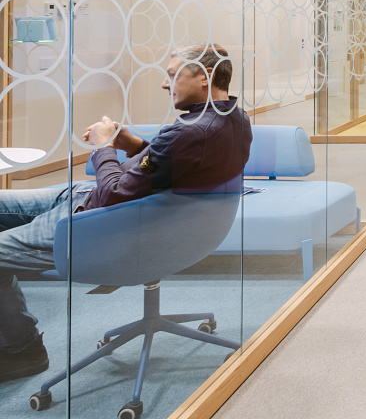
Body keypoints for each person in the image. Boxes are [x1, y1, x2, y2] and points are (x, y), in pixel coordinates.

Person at [0, 44, 252, 383]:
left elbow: (113, 194)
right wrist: (131, 143)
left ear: (205, 77)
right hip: (94, 200)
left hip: (96, 222)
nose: (165, 83)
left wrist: (104, 147)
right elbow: (163, 162)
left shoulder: (190, 131)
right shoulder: (232, 118)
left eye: (173, 74)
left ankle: (21, 348)